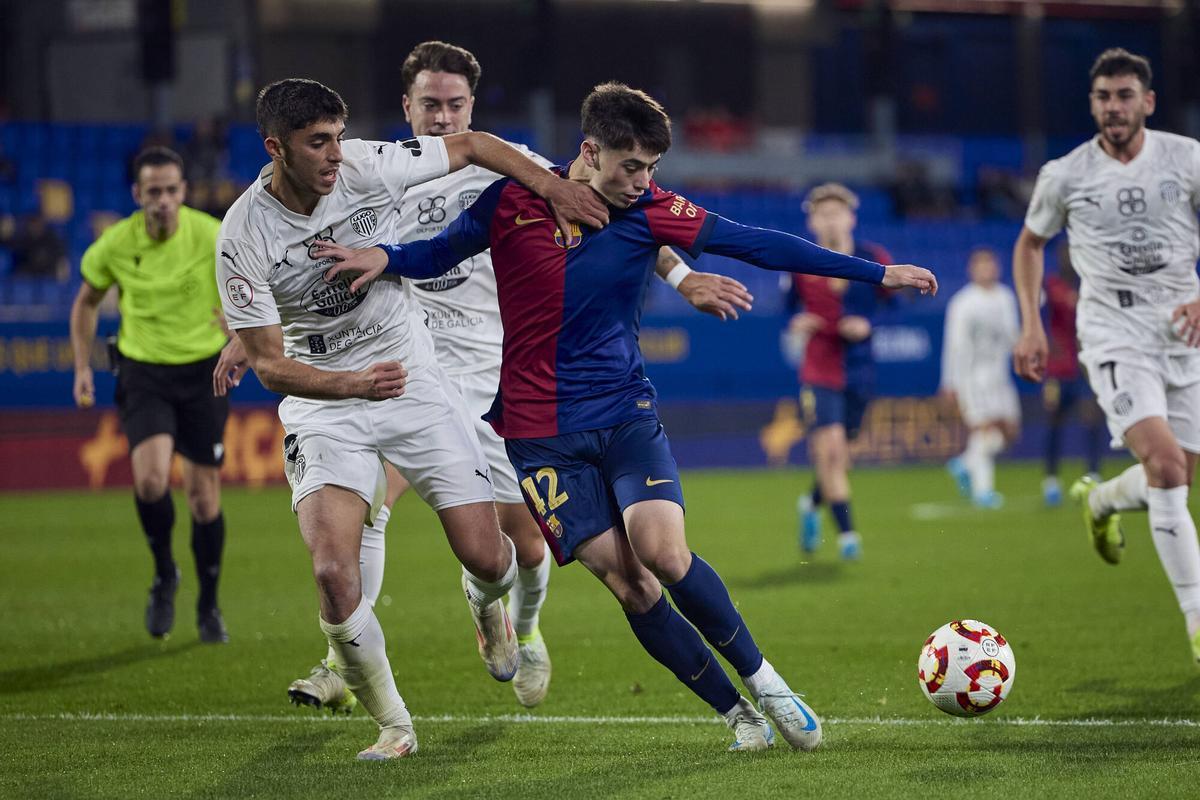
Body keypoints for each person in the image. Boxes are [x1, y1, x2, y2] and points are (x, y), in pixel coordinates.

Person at [315, 82, 936, 752]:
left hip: (622, 411)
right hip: (538, 434)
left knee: (665, 553)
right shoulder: (512, 201)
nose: (643, 182)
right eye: (631, 166)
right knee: (631, 584)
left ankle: (769, 685)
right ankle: (738, 717)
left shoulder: (652, 211)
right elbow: (440, 252)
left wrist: (875, 275)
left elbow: (755, 243)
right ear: (590, 151)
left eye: (652, 168)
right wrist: (385, 259)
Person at [249, 42, 754, 716]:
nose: (443, 116)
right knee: (368, 503)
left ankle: (524, 624)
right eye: (430, 103)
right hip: (409, 367)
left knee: (523, 544)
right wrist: (241, 338)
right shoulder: (369, 173)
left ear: (472, 107)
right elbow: (289, 258)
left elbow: (622, 214)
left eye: (456, 103)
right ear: (408, 106)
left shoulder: (511, 171)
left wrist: (686, 278)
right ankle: (343, 660)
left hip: (500, 379)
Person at [215, 77, 607, 761]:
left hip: (412, 380)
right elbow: (272, 367)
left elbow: (477, 145)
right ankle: (393, 723)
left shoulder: (369, 165)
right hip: (327, 399)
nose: (336, 155)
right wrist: (346, 384)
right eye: (318, 144)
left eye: (338, 137)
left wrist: (554, 190)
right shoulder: (242, 234)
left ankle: (493, 606)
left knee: (494, 557)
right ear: (276, 148)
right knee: (335, 570)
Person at [1012, 48, 1200, 663]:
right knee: (1168, 470)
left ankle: (1102, 500)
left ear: (1147, 101)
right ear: (1092, 103)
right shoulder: (1065, 174)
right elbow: (1030, 244)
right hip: (1115, 332)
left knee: (1176, 474)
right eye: (1102, 96)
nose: (1113, 107)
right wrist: (1032, 324)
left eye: (1124, 95)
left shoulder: (1186, 158)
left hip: (1183, 331)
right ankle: (1198, 626)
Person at [69, 146, 230, 643]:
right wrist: (81, 367)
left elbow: (251, 285)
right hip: (143, 372)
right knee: (151, 481)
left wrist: (239, 324)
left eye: (171, 190)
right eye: (153, 191)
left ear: (184, 192)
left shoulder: (212, 234)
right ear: (138, 194)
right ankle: (165, 574)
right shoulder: (114, 244)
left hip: (205, 371)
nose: (163, 200)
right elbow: (86, 305)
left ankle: (208, 603)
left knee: (204, 500)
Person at [783, 182, 892, 559]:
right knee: (829, 452)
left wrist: (868, 325)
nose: (830, 219)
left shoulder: (872, 257)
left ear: (851, 217)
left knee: (841, 456)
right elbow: (788, 308)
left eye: (836, 212)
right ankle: (848, 537)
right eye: (822, 213)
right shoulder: (799, 262)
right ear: (812, 221)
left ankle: (810, 505)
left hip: (859, 368)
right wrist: (799, 321)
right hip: (819, 367)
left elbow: (900, 302)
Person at [941, 248, 1021, 508]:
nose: (986, 270)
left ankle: (964, 464)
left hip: (1000, 375)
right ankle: (983, 491)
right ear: (971, 270)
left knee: (1008, 432)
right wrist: (950, 382)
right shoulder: (963, 303)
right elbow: (954, 346)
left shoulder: (1006, 297)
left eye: (990, 264)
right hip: (973, 376)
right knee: (984, 431)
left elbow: (1013, 336)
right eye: (980, 265)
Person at [1041, 242, 1106, 506]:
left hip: (1086, 365)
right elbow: (1042, 317)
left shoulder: (1091, 285)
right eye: (1064, 254)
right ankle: (1051, 480)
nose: (1069, 258)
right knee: (1055, 419)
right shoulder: (1052, 285)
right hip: (1059, 367)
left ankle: (1092, 474)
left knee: (1091, 417)